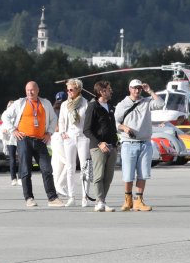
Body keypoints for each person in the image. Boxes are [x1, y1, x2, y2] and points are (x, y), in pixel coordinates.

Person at [13, 80, 62, 209]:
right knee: (25, 170)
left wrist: (49, 132)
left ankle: (52, 198)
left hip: (40, 140)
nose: (30, 92)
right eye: (28, 90)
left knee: (47, 169)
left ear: (37, 90)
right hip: (24, 139)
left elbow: (53, 119)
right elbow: (5, 116)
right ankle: (29, 198)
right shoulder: (20, 103)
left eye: (32, 90)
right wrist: (13, 130)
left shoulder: (45, 103)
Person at [114, 79, 155, 211]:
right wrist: (124, 128)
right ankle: (128, 199)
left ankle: (139, 200)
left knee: (143, 174)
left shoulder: (147, 102)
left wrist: (150, 91)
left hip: (145, 143)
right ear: (129, 89)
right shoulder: (122, 104)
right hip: (129, 143)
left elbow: (161, 103)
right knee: (128, 174)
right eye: (134, 88)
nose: (137, 90)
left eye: (139, 88)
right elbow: (115, 122)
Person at [82, 80, 118, 211]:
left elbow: (112, 127)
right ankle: (99, 202)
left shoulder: (111, 106)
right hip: (98, 147)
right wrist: (99, 143)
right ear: (102, 92)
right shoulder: (93, 106)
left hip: (112, 146)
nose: (111, 91)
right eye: (109, 89)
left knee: (108, 177)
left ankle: (102, 201)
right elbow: (86, 130)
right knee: (98, 176)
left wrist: (116, 143)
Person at [56, 79, 92, 207]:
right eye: (68, 90)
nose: (69, 92)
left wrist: (88, 134)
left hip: (83, 137)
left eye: (71, 89)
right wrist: (62, 132)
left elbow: (89, 121)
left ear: (78, 89)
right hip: (69, 137)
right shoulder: (65, 104)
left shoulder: (85, 103)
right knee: (70, 167)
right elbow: (61, 120)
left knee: (85, 167)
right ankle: (71, 197)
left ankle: (85, 197)